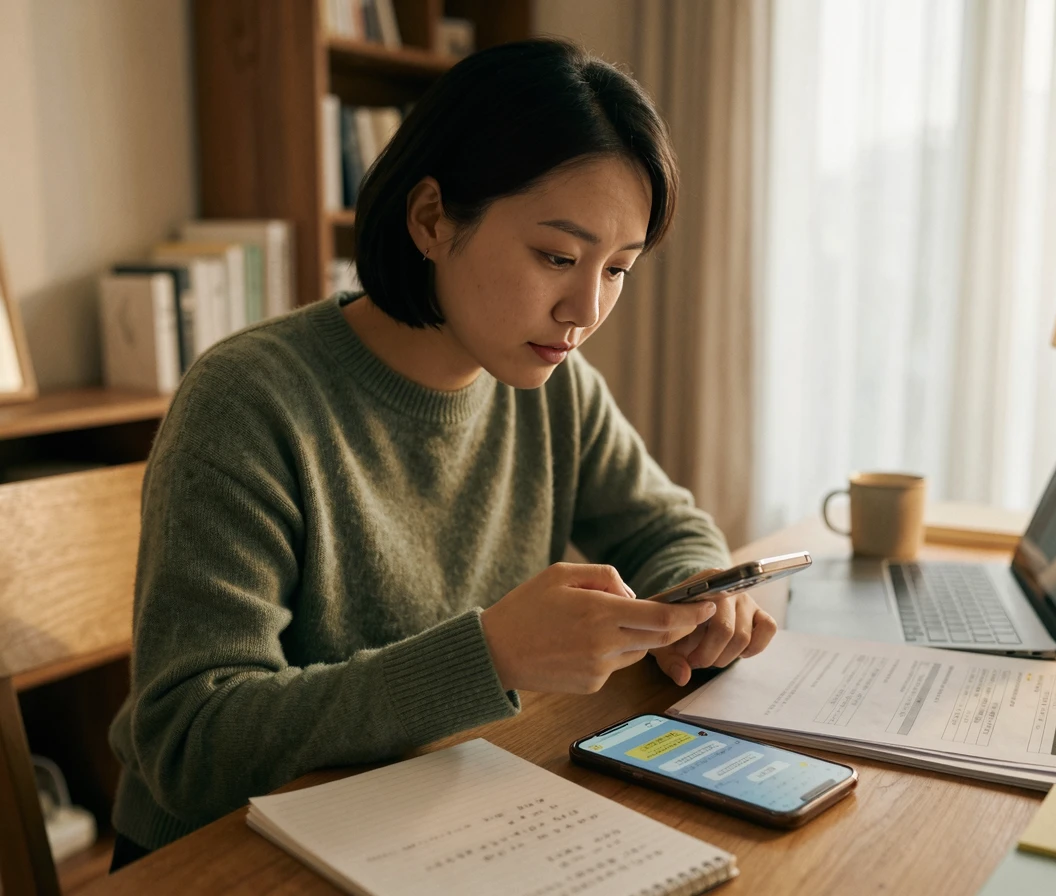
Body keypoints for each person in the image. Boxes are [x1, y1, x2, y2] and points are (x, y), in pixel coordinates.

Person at [107, 36, 776, 869]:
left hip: (432, 824)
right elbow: (189, 738)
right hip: (230, 859)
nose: (585, 308)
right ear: (431, 219)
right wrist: (489, 653)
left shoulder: (555, 384)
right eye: (558, 257)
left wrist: (706, 600)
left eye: (618, 270)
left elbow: (664, 527)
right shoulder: (249, 401)